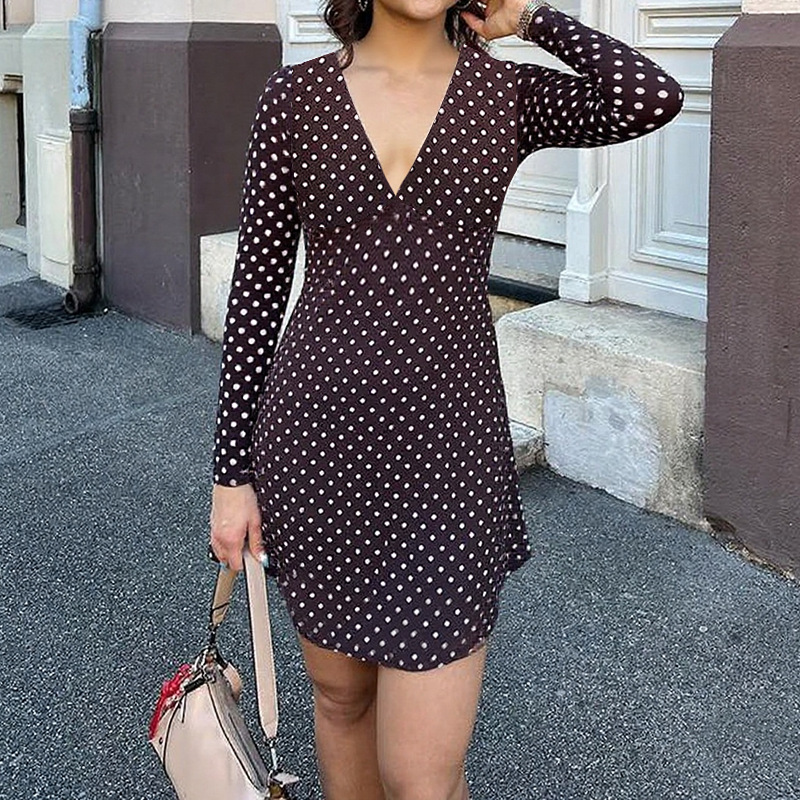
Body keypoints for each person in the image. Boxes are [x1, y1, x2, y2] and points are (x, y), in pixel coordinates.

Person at [208, 0, 684, 797]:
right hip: (315, 452)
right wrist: (232, 476)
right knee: (341, 699)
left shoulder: (506, 94)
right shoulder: (295, 98)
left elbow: (649, 95)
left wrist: (529, 19)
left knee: (423, 775)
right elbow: (257, 294)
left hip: (449, 459)